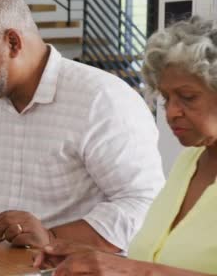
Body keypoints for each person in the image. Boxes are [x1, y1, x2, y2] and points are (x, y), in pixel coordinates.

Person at [0, 0, 165, 252]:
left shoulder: (102, 99)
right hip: (5, 265)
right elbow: (26, 193)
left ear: (13, 43)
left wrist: (50, 237)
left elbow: (145, 204)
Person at [34, 16, 217, 275]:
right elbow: (161, 261)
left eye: (187, 97)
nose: (172, 112)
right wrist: (94, 259)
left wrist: (129, 269)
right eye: (166, 98)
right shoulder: (188, 163)